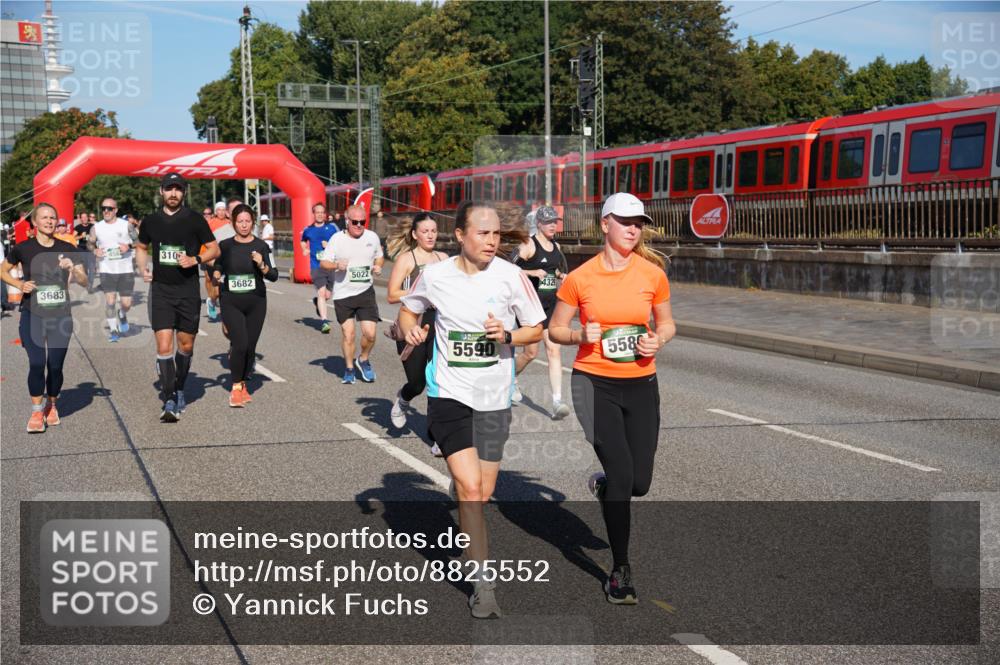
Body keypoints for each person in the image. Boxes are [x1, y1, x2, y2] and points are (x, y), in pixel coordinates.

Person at [397, 200, 544, 618]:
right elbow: (409, 311)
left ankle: (464, 503)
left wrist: (510, 335)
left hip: (495, 397)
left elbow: (536, 327)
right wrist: (413, 330)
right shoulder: (435, 276)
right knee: (473, 489)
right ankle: (484, 585)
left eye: (497, 233)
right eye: (483, 233)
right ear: (460, 235)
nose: (492, 241)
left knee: (484, 490)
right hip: (449, 394)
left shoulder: (512, 276)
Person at [548, 192, 676, 605]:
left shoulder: (652, 274)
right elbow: (555, 329)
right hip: (593, 385)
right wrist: (576, 335)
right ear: (605, 225)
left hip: (641, 384)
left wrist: (658, 339)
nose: (634, 229)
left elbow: (668, 323)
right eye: (625, 221)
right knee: (623, 476)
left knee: (639, 483)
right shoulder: (580, 278)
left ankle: (606, 487)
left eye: (639, 222)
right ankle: (620, 570)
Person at [135, 173, 220, 422]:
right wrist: (143, 268)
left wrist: (196, 259)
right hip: (161, 290)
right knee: (164, 346)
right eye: (169, 189)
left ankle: (180, 386)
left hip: (187, 291)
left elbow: (214, 248)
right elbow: (141, 247)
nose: (174, 193)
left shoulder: (194, 219)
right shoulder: (151, 221)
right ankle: (170, 398)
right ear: (161, 191)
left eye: (178, 189)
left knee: (186, 346)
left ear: (184, 192)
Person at [0, 203, 88, 432]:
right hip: (32, 314)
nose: (49, 221)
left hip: (60, 316)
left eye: (53, 218)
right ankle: (37, 412)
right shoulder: (23, 248)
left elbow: (85, 281)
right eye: (45, 217)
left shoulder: (67, 247)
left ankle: (52, 404)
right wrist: (20, 284)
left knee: (55, 366)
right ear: (35, 222)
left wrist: (74, 268)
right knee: (37, 363)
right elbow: (2, 270)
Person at [385, 212, 448, 451]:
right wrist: (419, 291)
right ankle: (403, 399)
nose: (430, 235)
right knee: (418, 382)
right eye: (425, 231)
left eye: (433, 231)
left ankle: (437, 436)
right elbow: (392, 295)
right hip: (411, 322)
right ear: (415, 234)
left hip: (438, 323)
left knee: (438, 380)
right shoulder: (407, 259)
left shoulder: (443, 258)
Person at [211, 204, 278, 407]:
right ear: (233, 223)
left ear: (253, 222)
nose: (243, 225)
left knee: (250, 347)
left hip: (256, 302)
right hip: (231, 300)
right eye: (240, 221)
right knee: (239, 344)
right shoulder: (225, 245)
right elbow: (218, 265)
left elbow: (273, 275)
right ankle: (236, 387)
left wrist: (261, 264)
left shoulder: (261, 246)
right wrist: (216, 273)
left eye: (247, 221)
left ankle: (243, 382)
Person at [511, 206, 571, 419]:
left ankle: (557, 402)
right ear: (538, 224)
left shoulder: (556, 245)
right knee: (530, 353)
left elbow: (553, 269)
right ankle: (511, 379)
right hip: (530, 307)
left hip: (550, 305)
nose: (553, 225)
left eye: (555, 221)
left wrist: (560, 275)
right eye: (548, 222)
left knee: (554, 350)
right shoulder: (528, 245)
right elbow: (509, 270)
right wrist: (530, 272)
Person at [319, 204, 383, 384]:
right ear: (347, 221)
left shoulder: (372, 237)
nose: (359, 225)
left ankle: (362, 359)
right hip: (343, 294)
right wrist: (336, 265)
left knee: (370, 334)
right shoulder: (336, 239)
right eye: (355, 222)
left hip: (365, 292)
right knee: (349, 334)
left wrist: (378, 265)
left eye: (363, 222)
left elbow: (379, 255)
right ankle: (348, 368)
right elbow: (324, 263)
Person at [91, 197, 135, 342]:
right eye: (103, 208)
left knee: (126, 303)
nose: (106, 211)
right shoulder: (96, 227)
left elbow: (139, 241)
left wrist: (129, 246)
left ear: (115, 210)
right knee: (110, 301)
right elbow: (90, 244)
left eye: (109, 208)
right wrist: (94, 250)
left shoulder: (126, 225)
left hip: (125, 269)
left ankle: (122, 314)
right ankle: (114, 330)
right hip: (106, 269)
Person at [300, 202, 339, 334]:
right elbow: (303, 240)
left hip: (331, 265)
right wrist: (305, 249)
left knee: (327, 295)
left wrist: (329, 245)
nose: (320, 215)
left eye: (322, 212)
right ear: (314, 214)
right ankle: (324, 322)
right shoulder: (308, 229)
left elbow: (341, 241)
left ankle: (318, 301)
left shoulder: (332, 227)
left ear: (325, 214)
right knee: (322, 292)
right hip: (316, 266)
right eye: (318, 212)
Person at [204, 201, 235, 322]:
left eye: (223, 210)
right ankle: (211, 301)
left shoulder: (232, 224)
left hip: (229, 262)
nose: (221, 212)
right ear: (216, 211)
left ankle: (229, 311)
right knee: (215, 290)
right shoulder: (211, 224)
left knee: (227, 290)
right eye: (219, 210)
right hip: (212, 257)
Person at [73, 211, 97, 290]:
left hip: (91, 248)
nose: (84, 219)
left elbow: (99, 235)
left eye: (86, 217)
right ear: (80, 219)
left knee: (92, 268)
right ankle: (87, 283)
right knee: (85, 268)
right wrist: (80, 236)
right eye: (82, 217)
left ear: (88, 218)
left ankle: (90, 285)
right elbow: (73, 238)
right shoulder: (78, 227)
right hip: (82, 249)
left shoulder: (93, 226)